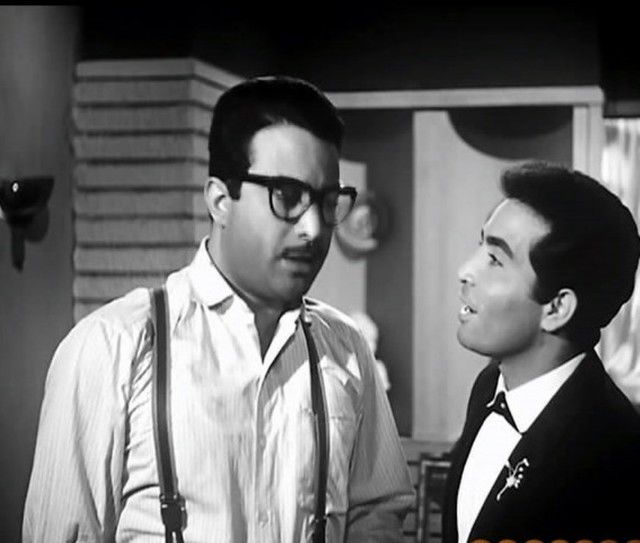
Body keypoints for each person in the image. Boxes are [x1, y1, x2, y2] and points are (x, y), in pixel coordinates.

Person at [23, 76, 413, 542]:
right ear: (220, 200)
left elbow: (378, 515)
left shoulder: (345, 349)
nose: (313, 228)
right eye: (287, 196)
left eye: (328, 202)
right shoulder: (114, 346)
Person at [443, 161, 640, 542]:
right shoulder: (488, 387)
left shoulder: (613, 452)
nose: (465, 271)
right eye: (480, 245)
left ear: (557, 307)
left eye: (495, 259)